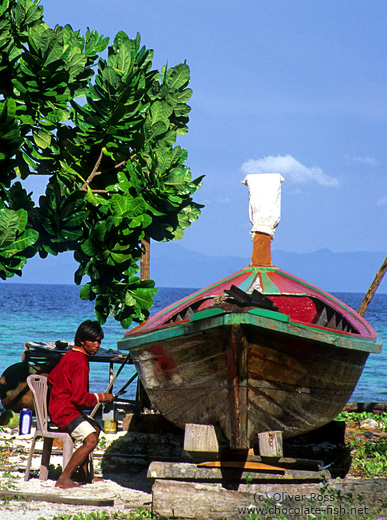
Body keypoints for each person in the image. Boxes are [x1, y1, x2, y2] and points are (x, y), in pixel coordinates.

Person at [48, 320, 114, 489]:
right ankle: (64, 478)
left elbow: (51, 378)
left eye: (99, 341)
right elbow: (80, 399)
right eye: (93, 341)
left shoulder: (70, 354)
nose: (97, 345)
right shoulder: (80, 361)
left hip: (59, 408)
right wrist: (101, 397)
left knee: (96, 428)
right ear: (82, 340)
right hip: (64, 411)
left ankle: (83, 474)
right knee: (91, 440)